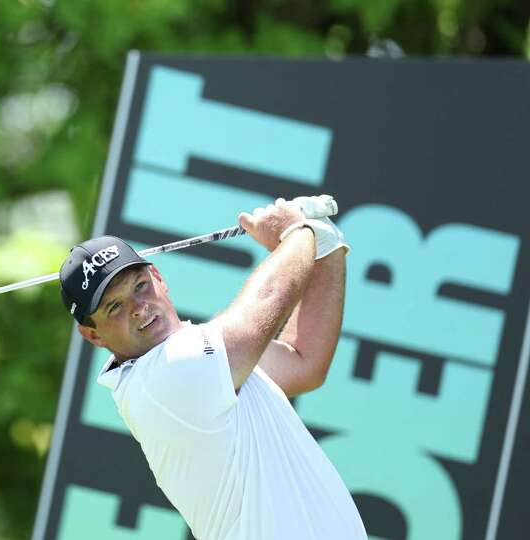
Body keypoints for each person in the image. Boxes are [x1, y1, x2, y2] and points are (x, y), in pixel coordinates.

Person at [58, 197, 367, 540]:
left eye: (140, 286)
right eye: (115, 306)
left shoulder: (206, 358)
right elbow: (267, 299)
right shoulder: (167, 375)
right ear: (92, 334)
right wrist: (296, 232)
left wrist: (326, 248)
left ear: (158, 277)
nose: (138, 308)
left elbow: (303, 361)